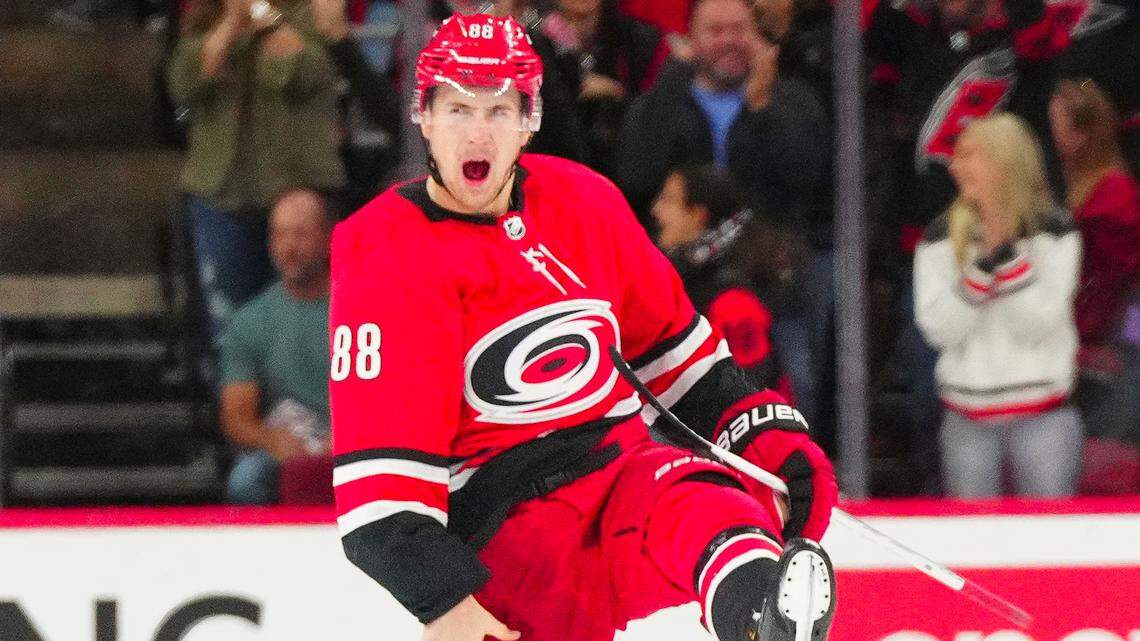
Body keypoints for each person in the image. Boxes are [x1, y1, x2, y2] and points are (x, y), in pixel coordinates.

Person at [329, 14, 837, 641]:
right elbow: (380, 498)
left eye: (499, 111)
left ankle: (762, 618)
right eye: (458, 110)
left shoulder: (584, 201)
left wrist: (766, 442)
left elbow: (677, 358)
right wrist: (448, 605)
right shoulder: (385, 251)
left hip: (620, 476)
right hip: (509, 532)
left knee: (707, 502)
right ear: (424, 116)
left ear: (529, 120)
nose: (478, 133)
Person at [615, 0, 832, 429]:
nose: (729, 41)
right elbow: (635, 174)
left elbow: (810, 181)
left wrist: (763, 107)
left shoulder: (793, 99)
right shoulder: (663, 102)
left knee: (796, 390)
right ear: (690, 40)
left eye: (739, 29)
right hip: (683, 288)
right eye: (715, 31)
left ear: (759, 36)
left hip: (773, 280)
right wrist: (671, 83)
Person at [914, 113, 1084, 498]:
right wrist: (981, 271)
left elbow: (1037, 325)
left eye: (967, 155)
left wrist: (1006, 257)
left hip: (1043, 415)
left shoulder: (1055, 232)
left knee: (1049, 531)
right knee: (972, 534)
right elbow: (939, 331)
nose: (954, 167)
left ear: (1002, 160)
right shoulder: (939, 239)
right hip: (967, 418)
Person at [167, 0, 346, 343]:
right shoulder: (205, 17)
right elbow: (184, 84)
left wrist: (263, 15)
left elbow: (305, 71)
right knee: (230, 323)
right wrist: (232, 22)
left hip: (298, 193)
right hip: (221, 192)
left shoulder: (311, 10)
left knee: (305, 318)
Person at [219, 189, 333, 505]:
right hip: (283, 449)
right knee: (246, 480)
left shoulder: (364, 309)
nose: (289, 246)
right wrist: (274, 441)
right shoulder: (249, 321)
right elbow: (236, 417)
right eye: (280, 234)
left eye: (300, 234)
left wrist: (352, 438)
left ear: (327, 238)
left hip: (356, 444)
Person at [652, 164, 793, 397]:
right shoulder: (684, 276)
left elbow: (748, 393)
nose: (656, 210)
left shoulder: (732, 300)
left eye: (668, 200)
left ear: (698, 214)